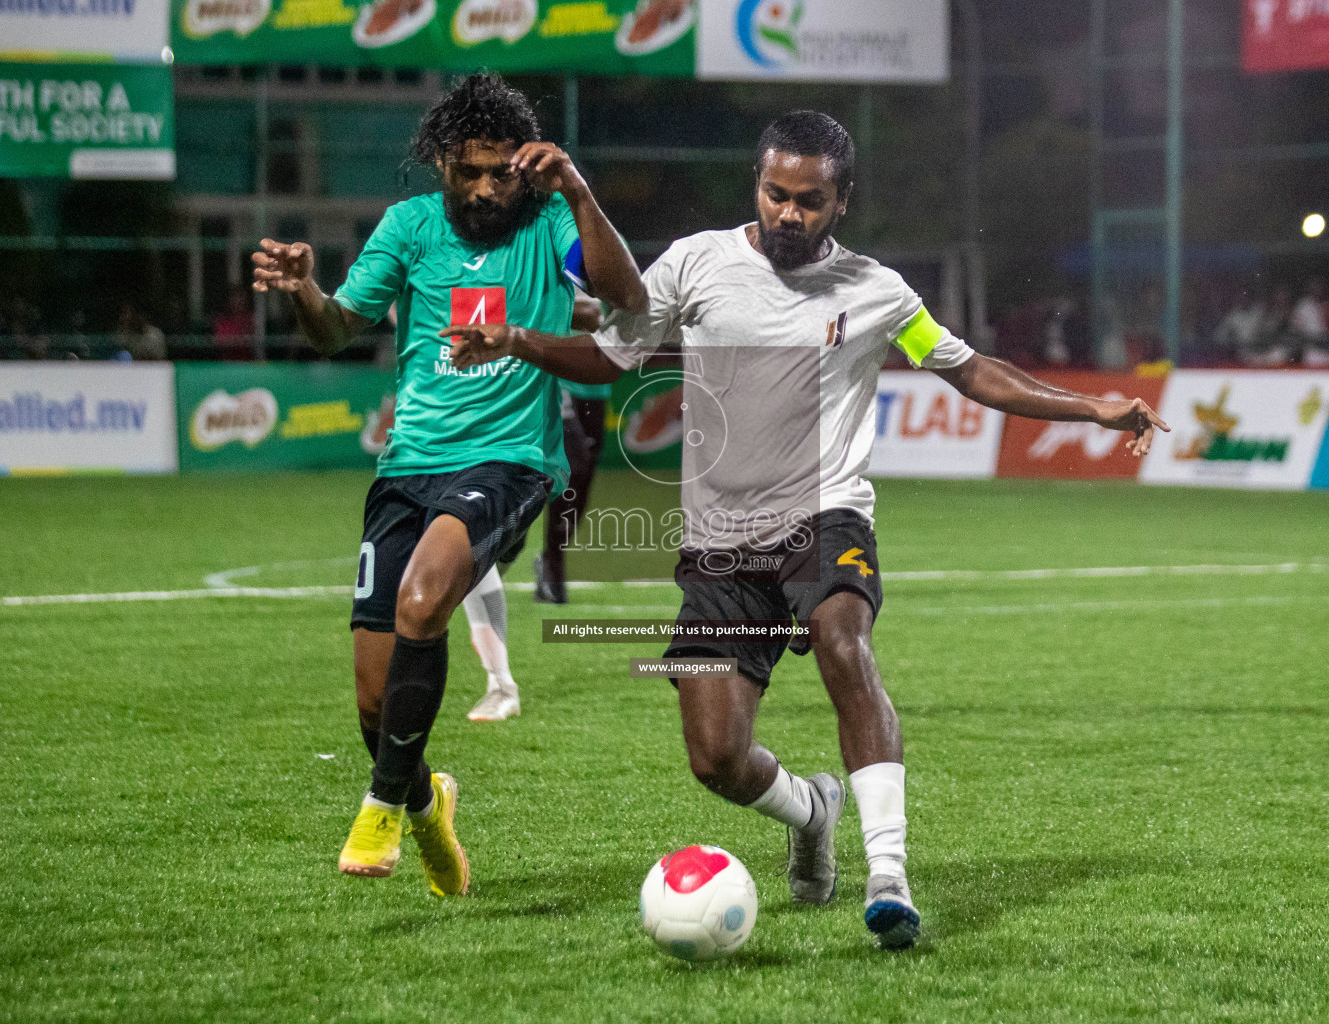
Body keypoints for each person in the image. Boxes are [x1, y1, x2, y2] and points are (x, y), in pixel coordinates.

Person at [444, 110, 1168, 949]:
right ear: (758, 184)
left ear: (842, 202)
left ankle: (888, 871)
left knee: (842, 639)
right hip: (719, 540)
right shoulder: (694, 263)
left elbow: (968, 368)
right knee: (715, 757)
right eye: (775, 193)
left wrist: (1092, 407)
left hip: (825, 513)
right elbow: (611, 358)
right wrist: (518, 339)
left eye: (810, 201)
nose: (789, 213)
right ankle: (811, 807)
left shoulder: (878, 291)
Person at [251, 71, 644, 889]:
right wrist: (302, 291)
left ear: (523, 167)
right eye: (468, 171)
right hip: (407, 469)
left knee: (426, 600)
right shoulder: (409, 227)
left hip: (509, 462)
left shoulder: (549, 227)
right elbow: (335, 330)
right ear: (441, 165)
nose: (485, 187)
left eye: (500, 170)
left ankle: (380, 807)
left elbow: (625, 297)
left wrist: (576, 189)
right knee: (373, 700)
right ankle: (429, 805)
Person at [534, 296, 608, 604]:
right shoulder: (558, 249)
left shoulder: (612, 251)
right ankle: (552, 565)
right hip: (558, 376)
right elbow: (588, 311)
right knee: (573, 465)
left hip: (596, 382)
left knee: (583, 476)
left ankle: (551, 556)